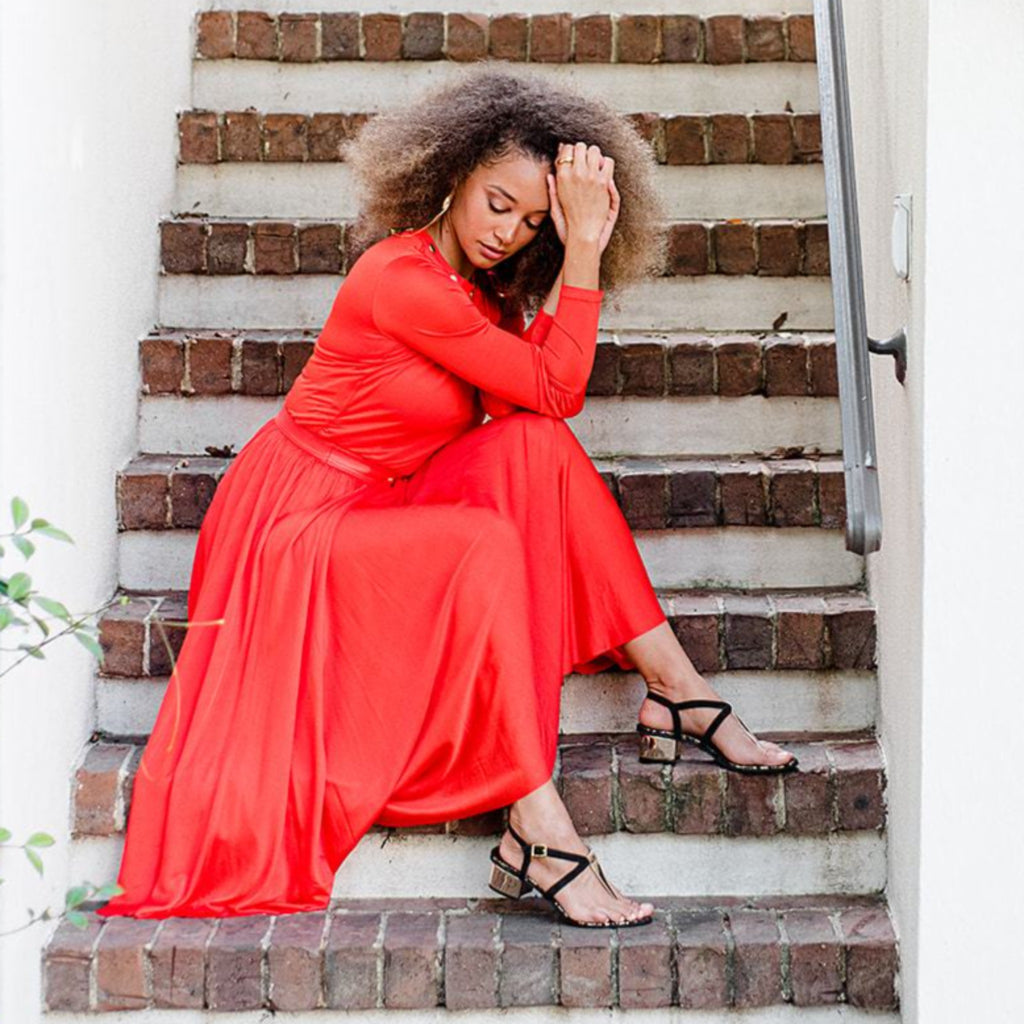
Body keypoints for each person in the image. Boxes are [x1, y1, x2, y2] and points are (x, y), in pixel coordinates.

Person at [97, 66, 796, 930]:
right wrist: (581, 254)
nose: (510, 231)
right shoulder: (404, 280)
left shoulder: (483, 293)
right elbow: (560, 386)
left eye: (537, 220)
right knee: (483, 538)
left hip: (376, 500)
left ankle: (676, 686)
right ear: (451, 174)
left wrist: (573, 251)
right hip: (295, 522)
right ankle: (540, 824)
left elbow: (536, 406)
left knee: (535, 450)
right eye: (498, 202)